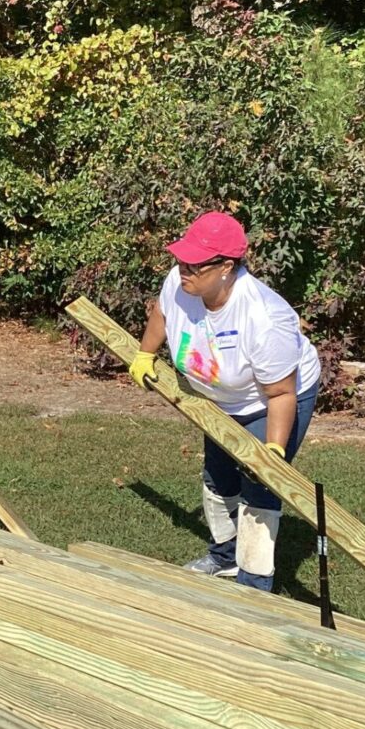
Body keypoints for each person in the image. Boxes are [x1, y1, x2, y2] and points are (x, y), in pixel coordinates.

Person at [130, 210, 320, 591]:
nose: (184, 268)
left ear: (226, 267)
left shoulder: (264, 316)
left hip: (271, 400)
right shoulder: (181, 283)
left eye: (195, 264)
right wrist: (144, 353)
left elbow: (281, 392)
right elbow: (162, 315)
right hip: (218, 396)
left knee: (259, 489)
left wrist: (273, 450)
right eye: (181, 259)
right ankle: (223, 557)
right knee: (217, 478)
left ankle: (253, 582)